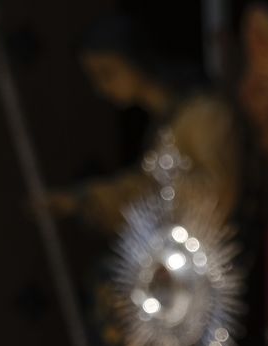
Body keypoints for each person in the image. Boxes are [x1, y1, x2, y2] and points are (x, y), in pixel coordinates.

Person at [45, 14, 240, 232]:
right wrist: (85, 201)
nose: (101, 88)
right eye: (95, 78)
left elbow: (220, 193)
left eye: (107, 73)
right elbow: (144, 187)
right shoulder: (162, 127)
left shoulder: (204, 113)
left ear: (136, 59)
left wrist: (164, 192)